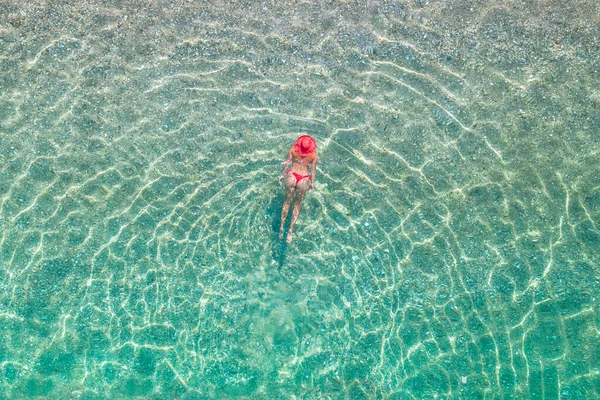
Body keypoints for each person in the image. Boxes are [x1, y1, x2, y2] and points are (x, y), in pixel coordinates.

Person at [278, 135, 318, 243]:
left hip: (292, 175)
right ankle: (290, 230)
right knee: (297, 204)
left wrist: (281, 175)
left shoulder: (292, 149)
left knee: (287, 202)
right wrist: (312, 183)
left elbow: (287, 163)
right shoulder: (314, 156)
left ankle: (281, 227)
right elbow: (313, 170)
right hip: (303, 179)